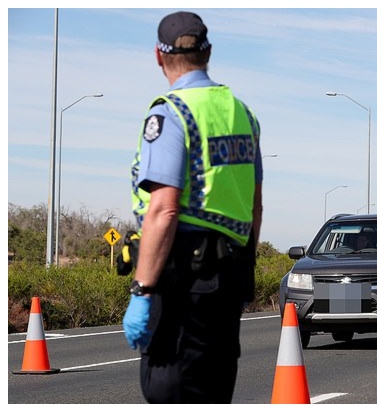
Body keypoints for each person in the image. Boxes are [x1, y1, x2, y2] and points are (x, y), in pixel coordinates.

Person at [122, 11, 263, 403]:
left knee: (169, 390)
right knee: (213, 392)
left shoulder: (169, 114)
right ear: (208, 53)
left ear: (158, 55)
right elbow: (255, 207)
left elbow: (164, 209)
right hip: (229, 275)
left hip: (182, 278)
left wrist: (143, 289)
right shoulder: (243, 115)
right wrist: (245, 271)